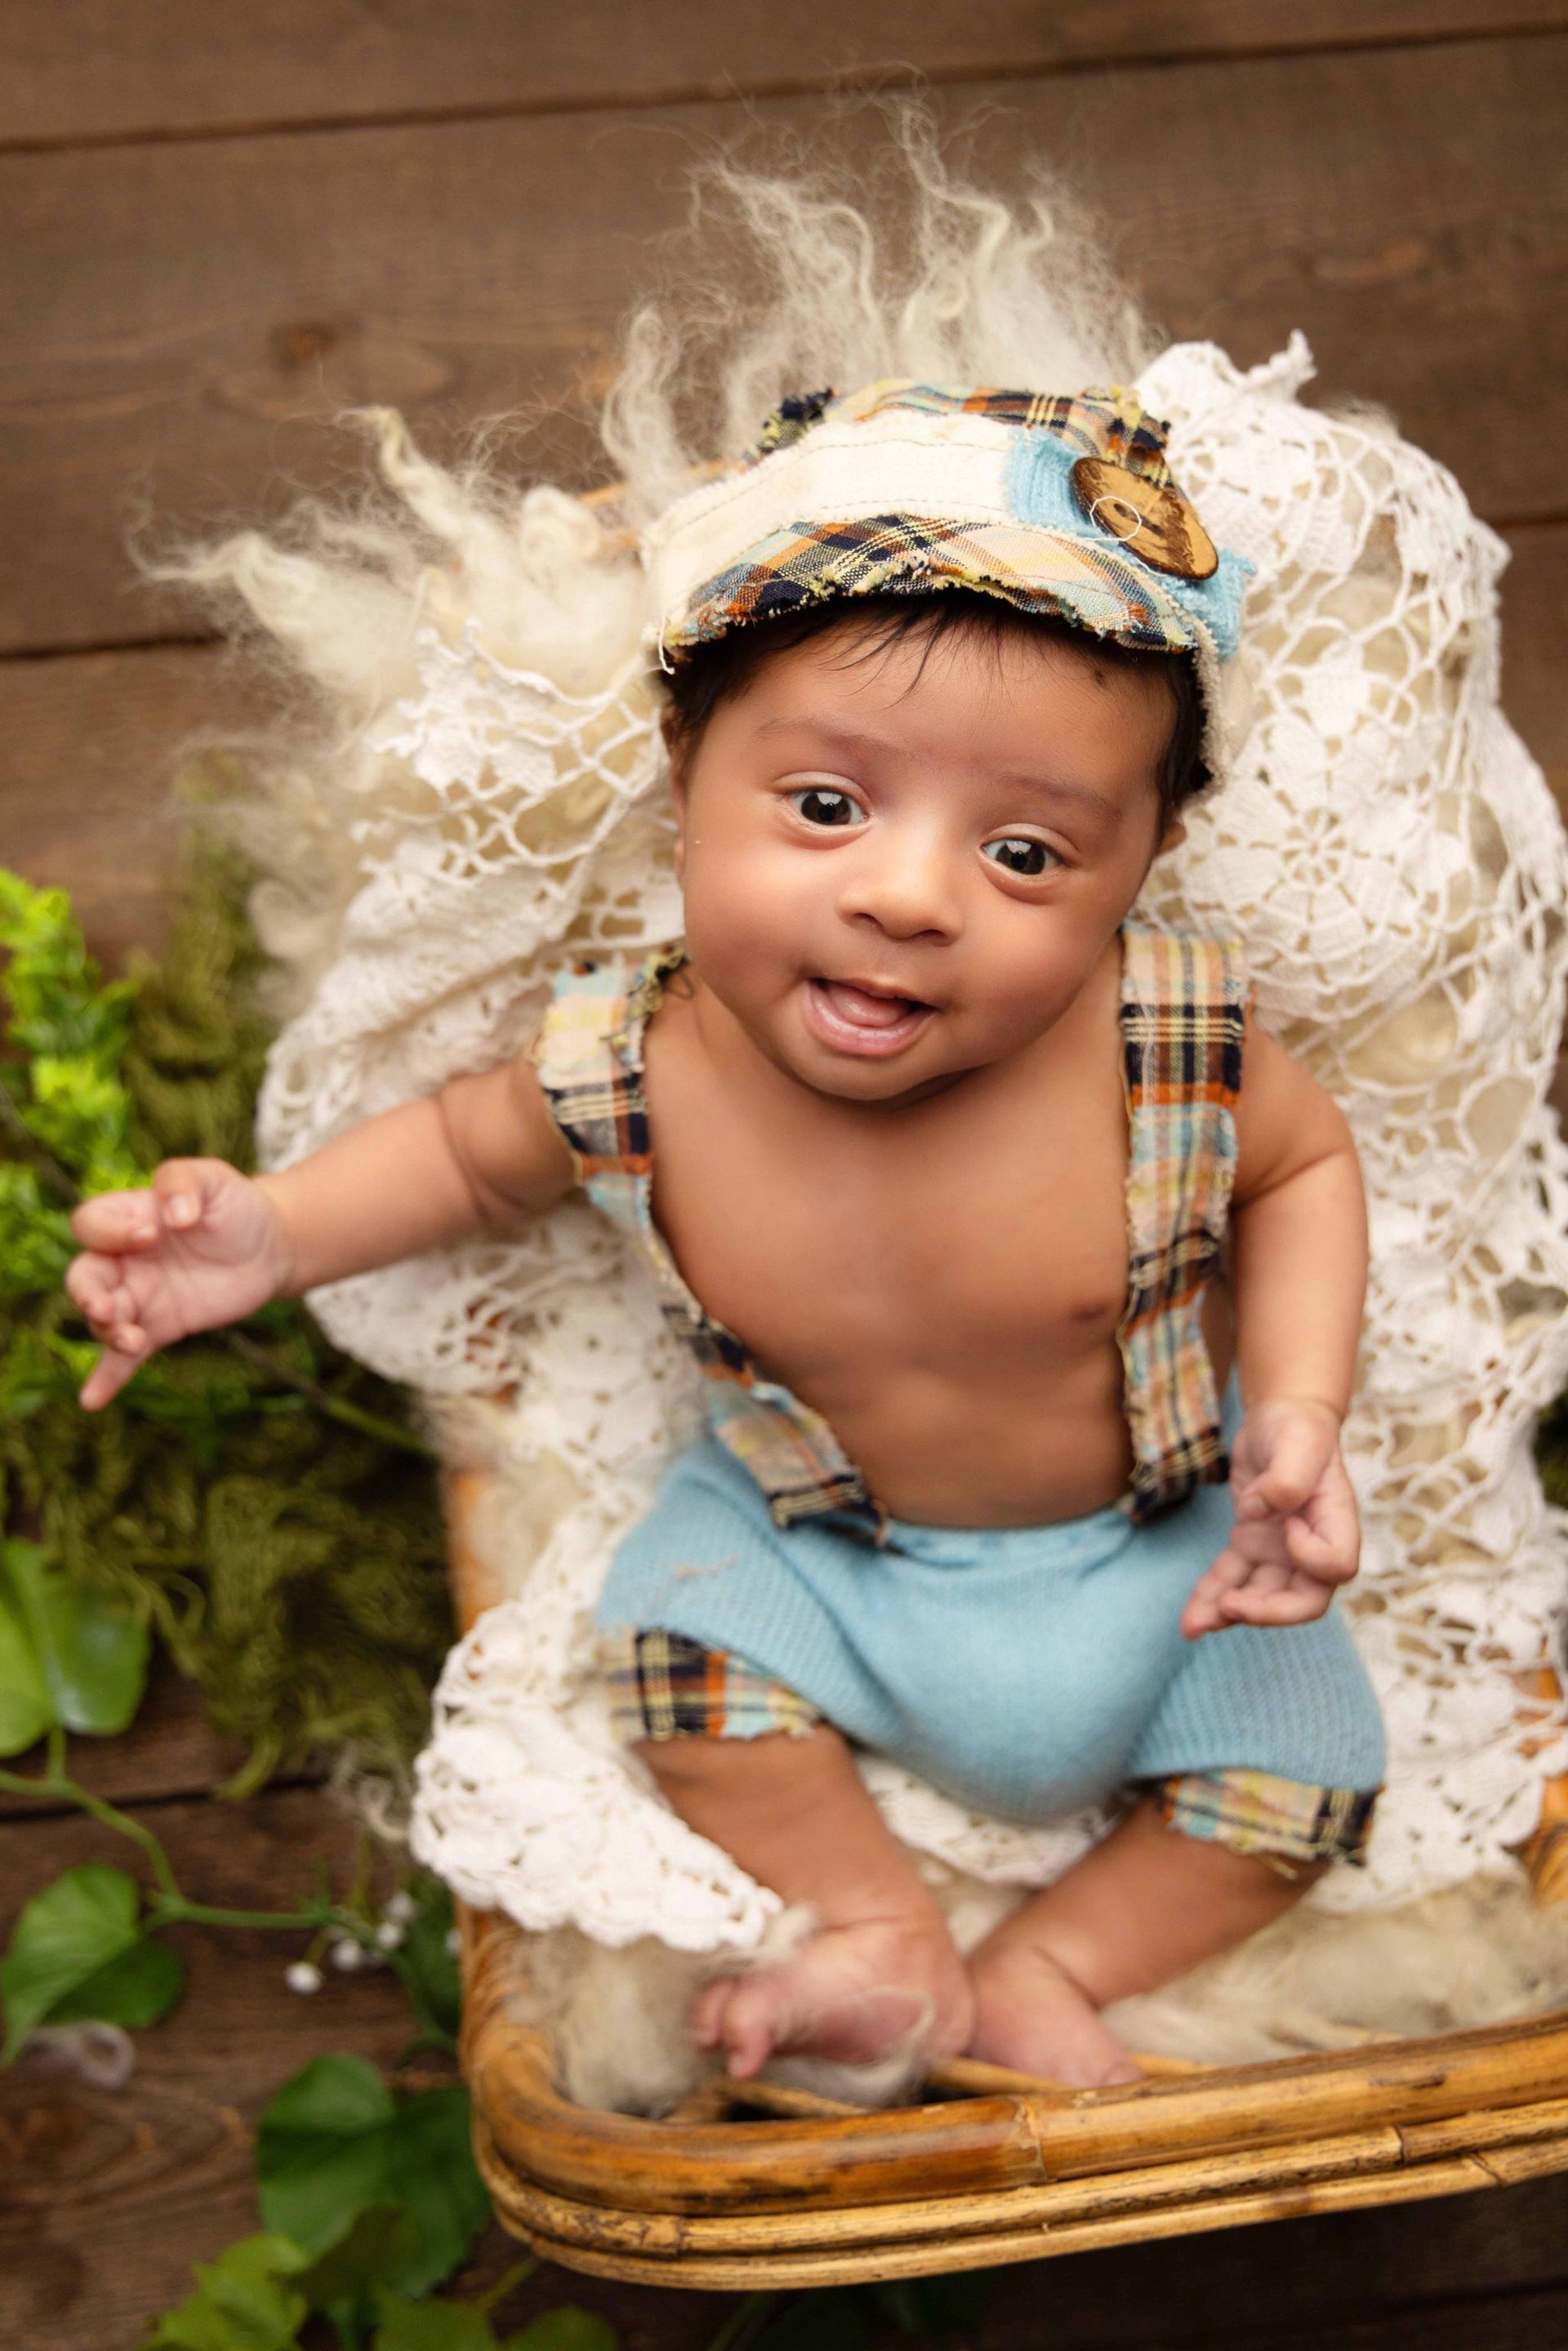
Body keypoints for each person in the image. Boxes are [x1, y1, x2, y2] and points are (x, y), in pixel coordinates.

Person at [63, 380, 1385, 2089]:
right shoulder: (635, 1064)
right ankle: (877, 1925)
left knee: (1313, 1769)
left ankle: (1054, 1965)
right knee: (673, 1640)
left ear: (1146, 859)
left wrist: (1298, 1408)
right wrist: (272, 1232)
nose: (910, 896)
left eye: (1024, 849)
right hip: (827, 1560)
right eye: (828, 806)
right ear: (688, 771)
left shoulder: (1163, 1050)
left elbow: (1304, 1172)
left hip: (1157, 1560)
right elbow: (466, 1161)